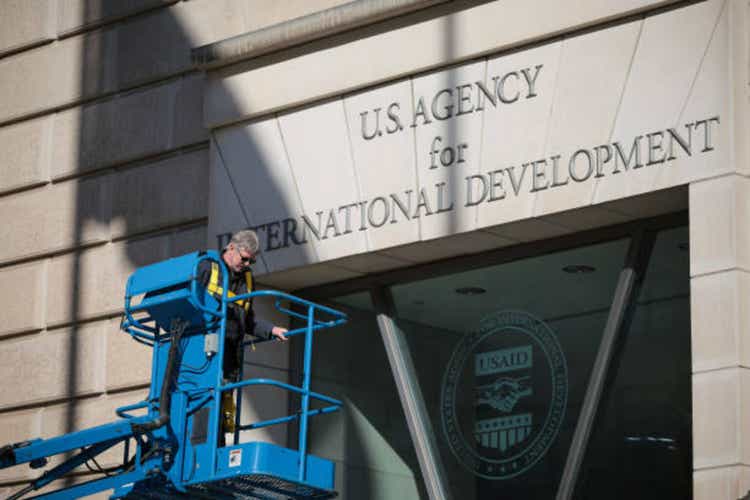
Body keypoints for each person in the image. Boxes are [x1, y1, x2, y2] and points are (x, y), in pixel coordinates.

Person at [198, 230, 288, 435]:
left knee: (221, 414)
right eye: (245, 259)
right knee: (200, 406)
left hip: (230, 354)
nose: (247, 265)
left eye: (251, 262)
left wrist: (271, 329)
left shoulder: (247, 280)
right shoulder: (207, 267)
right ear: (231, 248)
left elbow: (247, 319)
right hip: (203, 352)